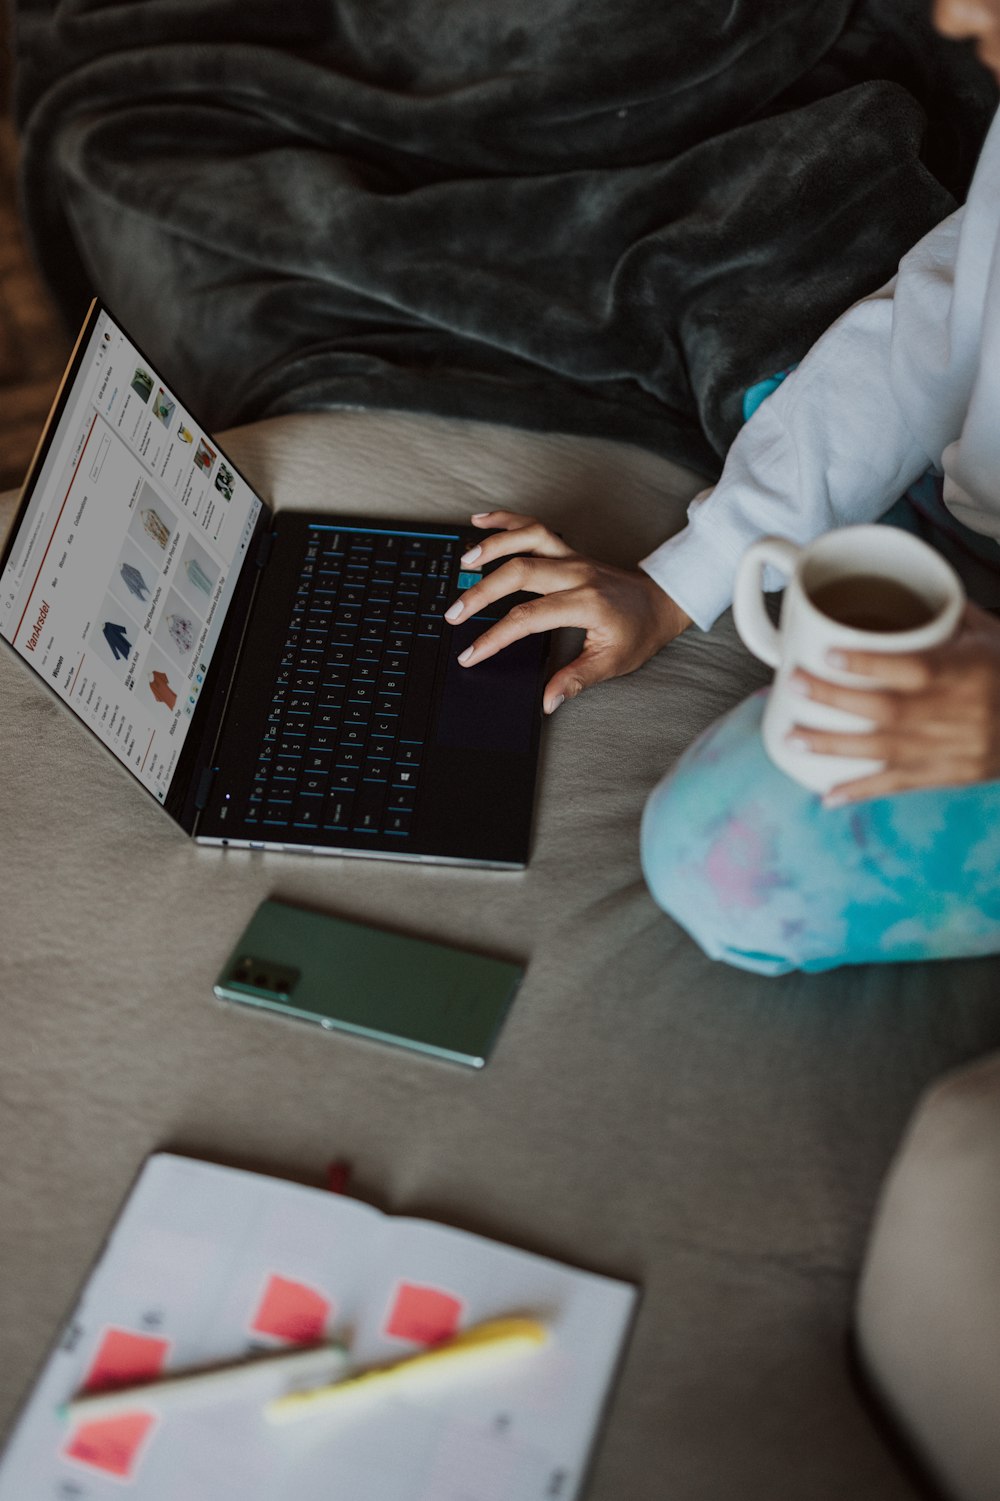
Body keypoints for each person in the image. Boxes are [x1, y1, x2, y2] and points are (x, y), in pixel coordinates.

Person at [444, 0, 1000, 972]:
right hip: (970, 524)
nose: (953, 14)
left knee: (721, 866)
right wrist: (676, 583)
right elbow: (942, 325)